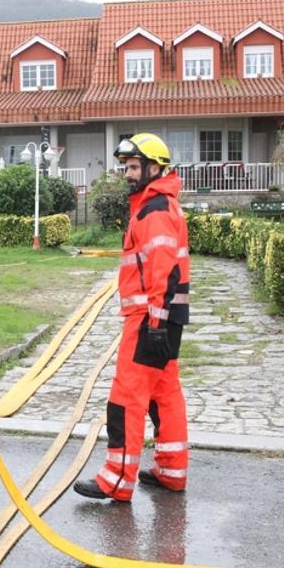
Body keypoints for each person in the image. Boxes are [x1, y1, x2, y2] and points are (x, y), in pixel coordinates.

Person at [74, 133, 190, 503]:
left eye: (135, 167)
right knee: (165, 394)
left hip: (148, 318)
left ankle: (117, 479)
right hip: (169, 318)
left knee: (127, 397)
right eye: (126, 167)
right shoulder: (162, 205)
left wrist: (154, 324)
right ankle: (172, 470)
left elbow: (162, 272)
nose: (128, 174)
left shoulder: (154, 210)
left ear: (155, 168)